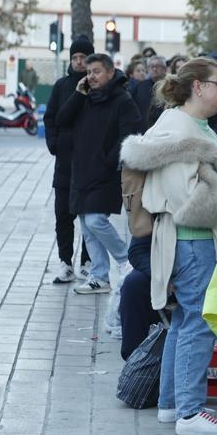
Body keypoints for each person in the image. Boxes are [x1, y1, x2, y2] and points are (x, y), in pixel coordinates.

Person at [120, 58, 217, 435]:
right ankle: (190, 412)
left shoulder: (191, 126)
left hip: (189, 241)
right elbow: (190, 203)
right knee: (198, 321)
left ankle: (171, 404)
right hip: (192, 240)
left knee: (183, 320)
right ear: (197, 86)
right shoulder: (180, 131)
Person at [56, 53, 144, 294]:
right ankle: (99, 276)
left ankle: (126, 260)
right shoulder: (85, 97)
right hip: (81, 170)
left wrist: (109, 160)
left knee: (96, 220)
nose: (91, 76)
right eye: (88, 72)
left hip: (105, 173)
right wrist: (77, 93)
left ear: (110, 72)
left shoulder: (122, 100)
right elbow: (62, 119)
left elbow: (132, 132)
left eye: (96, 71)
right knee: (86, 225)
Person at [43, 35, 93, 284]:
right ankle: (65, 262)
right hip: (64, 162)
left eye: (83, 57)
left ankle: (87, 262)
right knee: (63, 215)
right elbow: (50, 117)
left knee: (88, 217)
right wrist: (54, 144)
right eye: (74, 57)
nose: (78, 62)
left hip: (88, 163)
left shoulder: (97, 88)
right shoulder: (61, 86)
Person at [118, 235, 160, 360]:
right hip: (162, 270)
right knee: (133, 284)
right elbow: (137, 251)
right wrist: (161, 277)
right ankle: (134, 361)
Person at [131, 55, 168, 126]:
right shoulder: (140, 86)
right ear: (148, 69)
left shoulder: (170, 87)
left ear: (164, 69)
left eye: (158, 66)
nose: (154, 69)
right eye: (151, 66)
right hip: (143, 129)